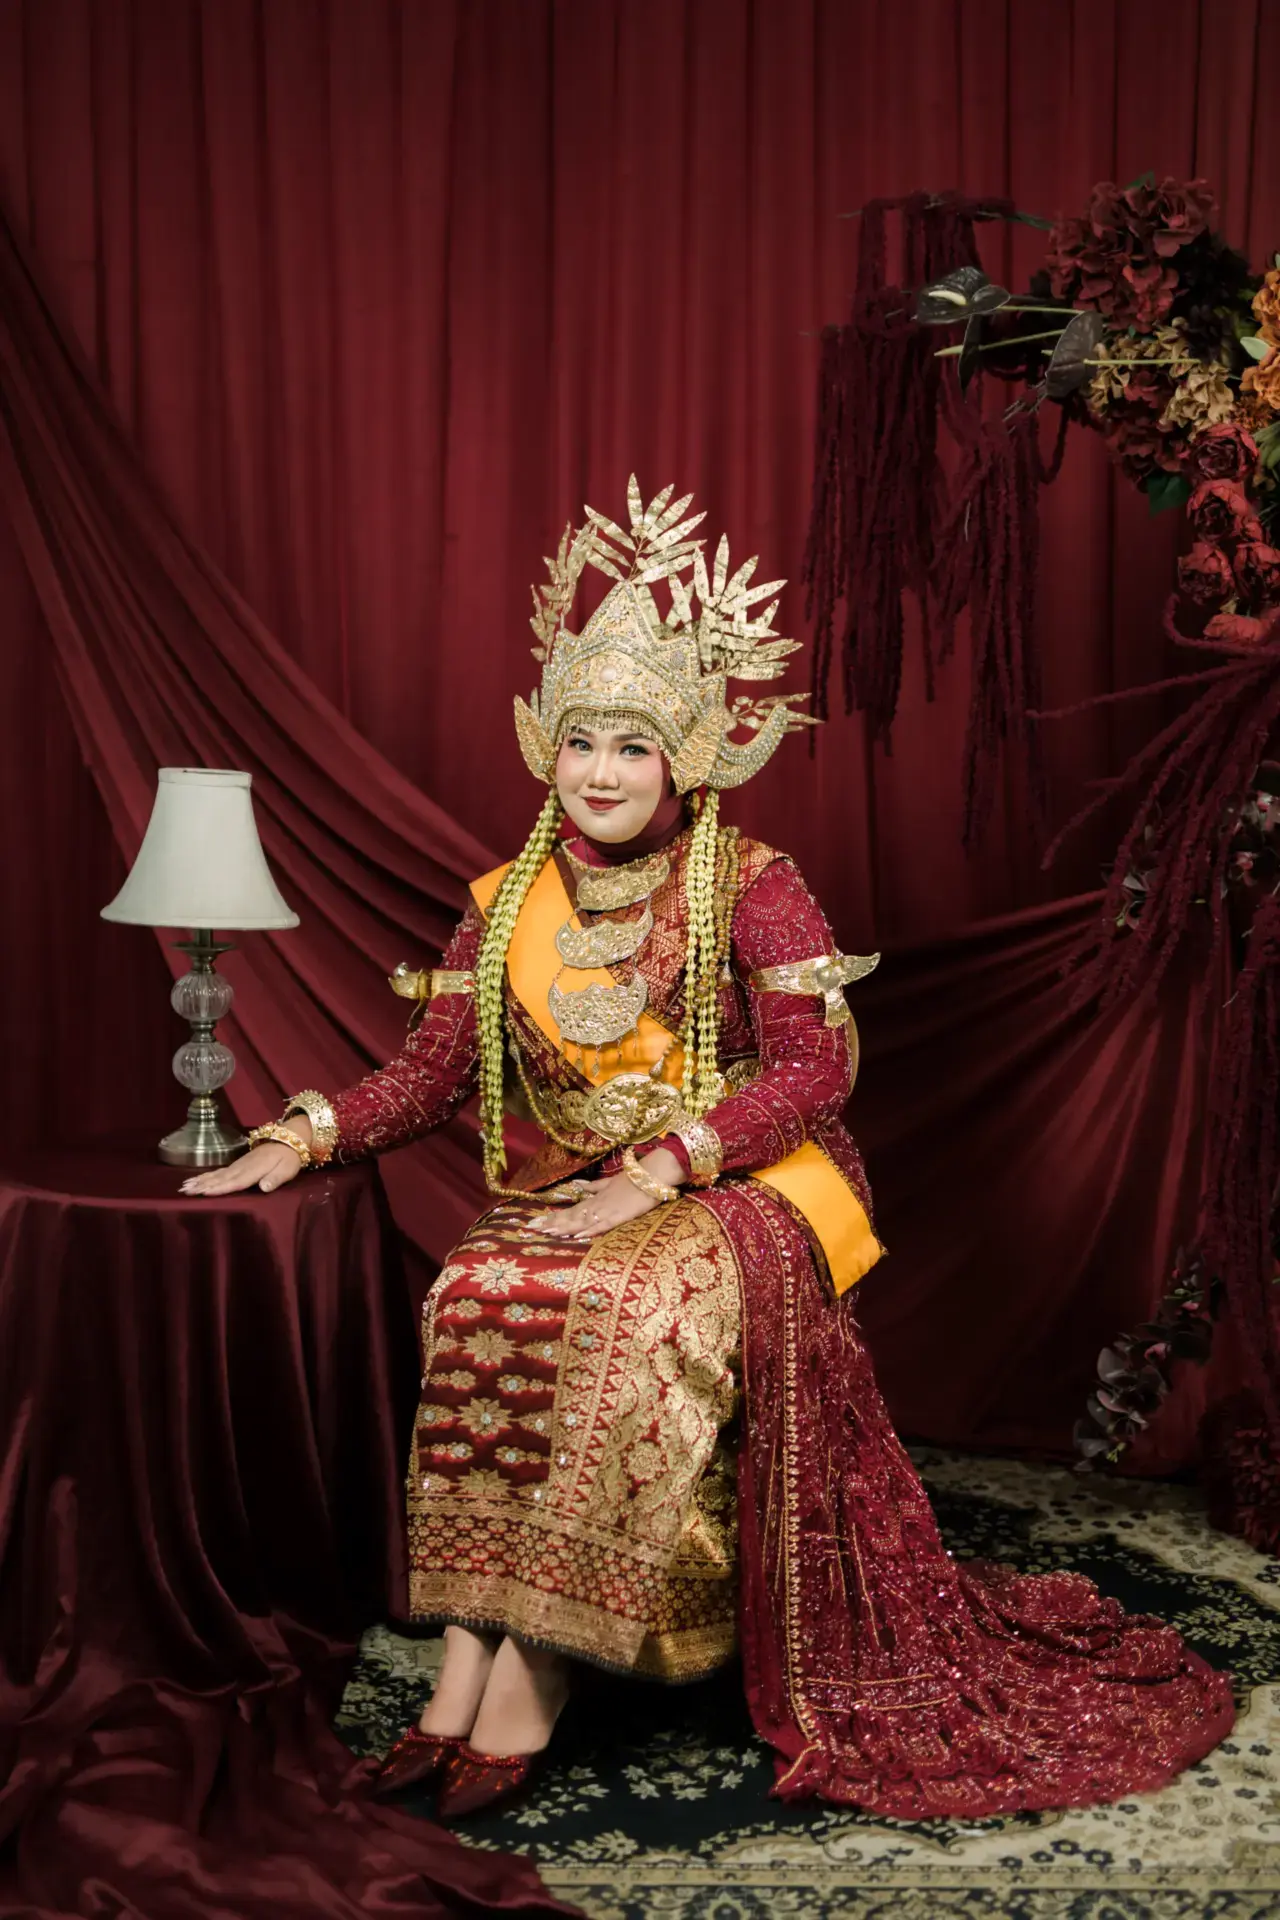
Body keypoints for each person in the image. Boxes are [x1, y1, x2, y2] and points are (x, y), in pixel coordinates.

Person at [183, 479, 1235, 1821]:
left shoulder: (752, 881)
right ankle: (463, 1660)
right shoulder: (504, 904)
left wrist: (668, 1164)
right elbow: (435, 1075)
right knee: (478, 1294)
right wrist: (308, 1130)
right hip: (579, 1186)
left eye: (633, 745)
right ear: (548, 749)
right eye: (581, 741)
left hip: (751, 1183)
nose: (602, 771)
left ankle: (536, 1675)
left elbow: (814, 1070)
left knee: (623, 1309)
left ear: (686, 754)